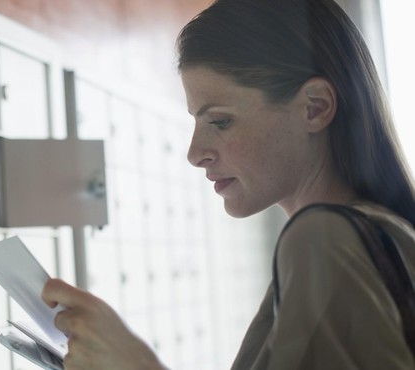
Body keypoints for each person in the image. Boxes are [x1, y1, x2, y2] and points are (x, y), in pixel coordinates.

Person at [42, 0, 415, 368]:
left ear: (314, 107)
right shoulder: (374, 235)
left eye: (219, 122)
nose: (195, 152)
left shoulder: (322, 240)